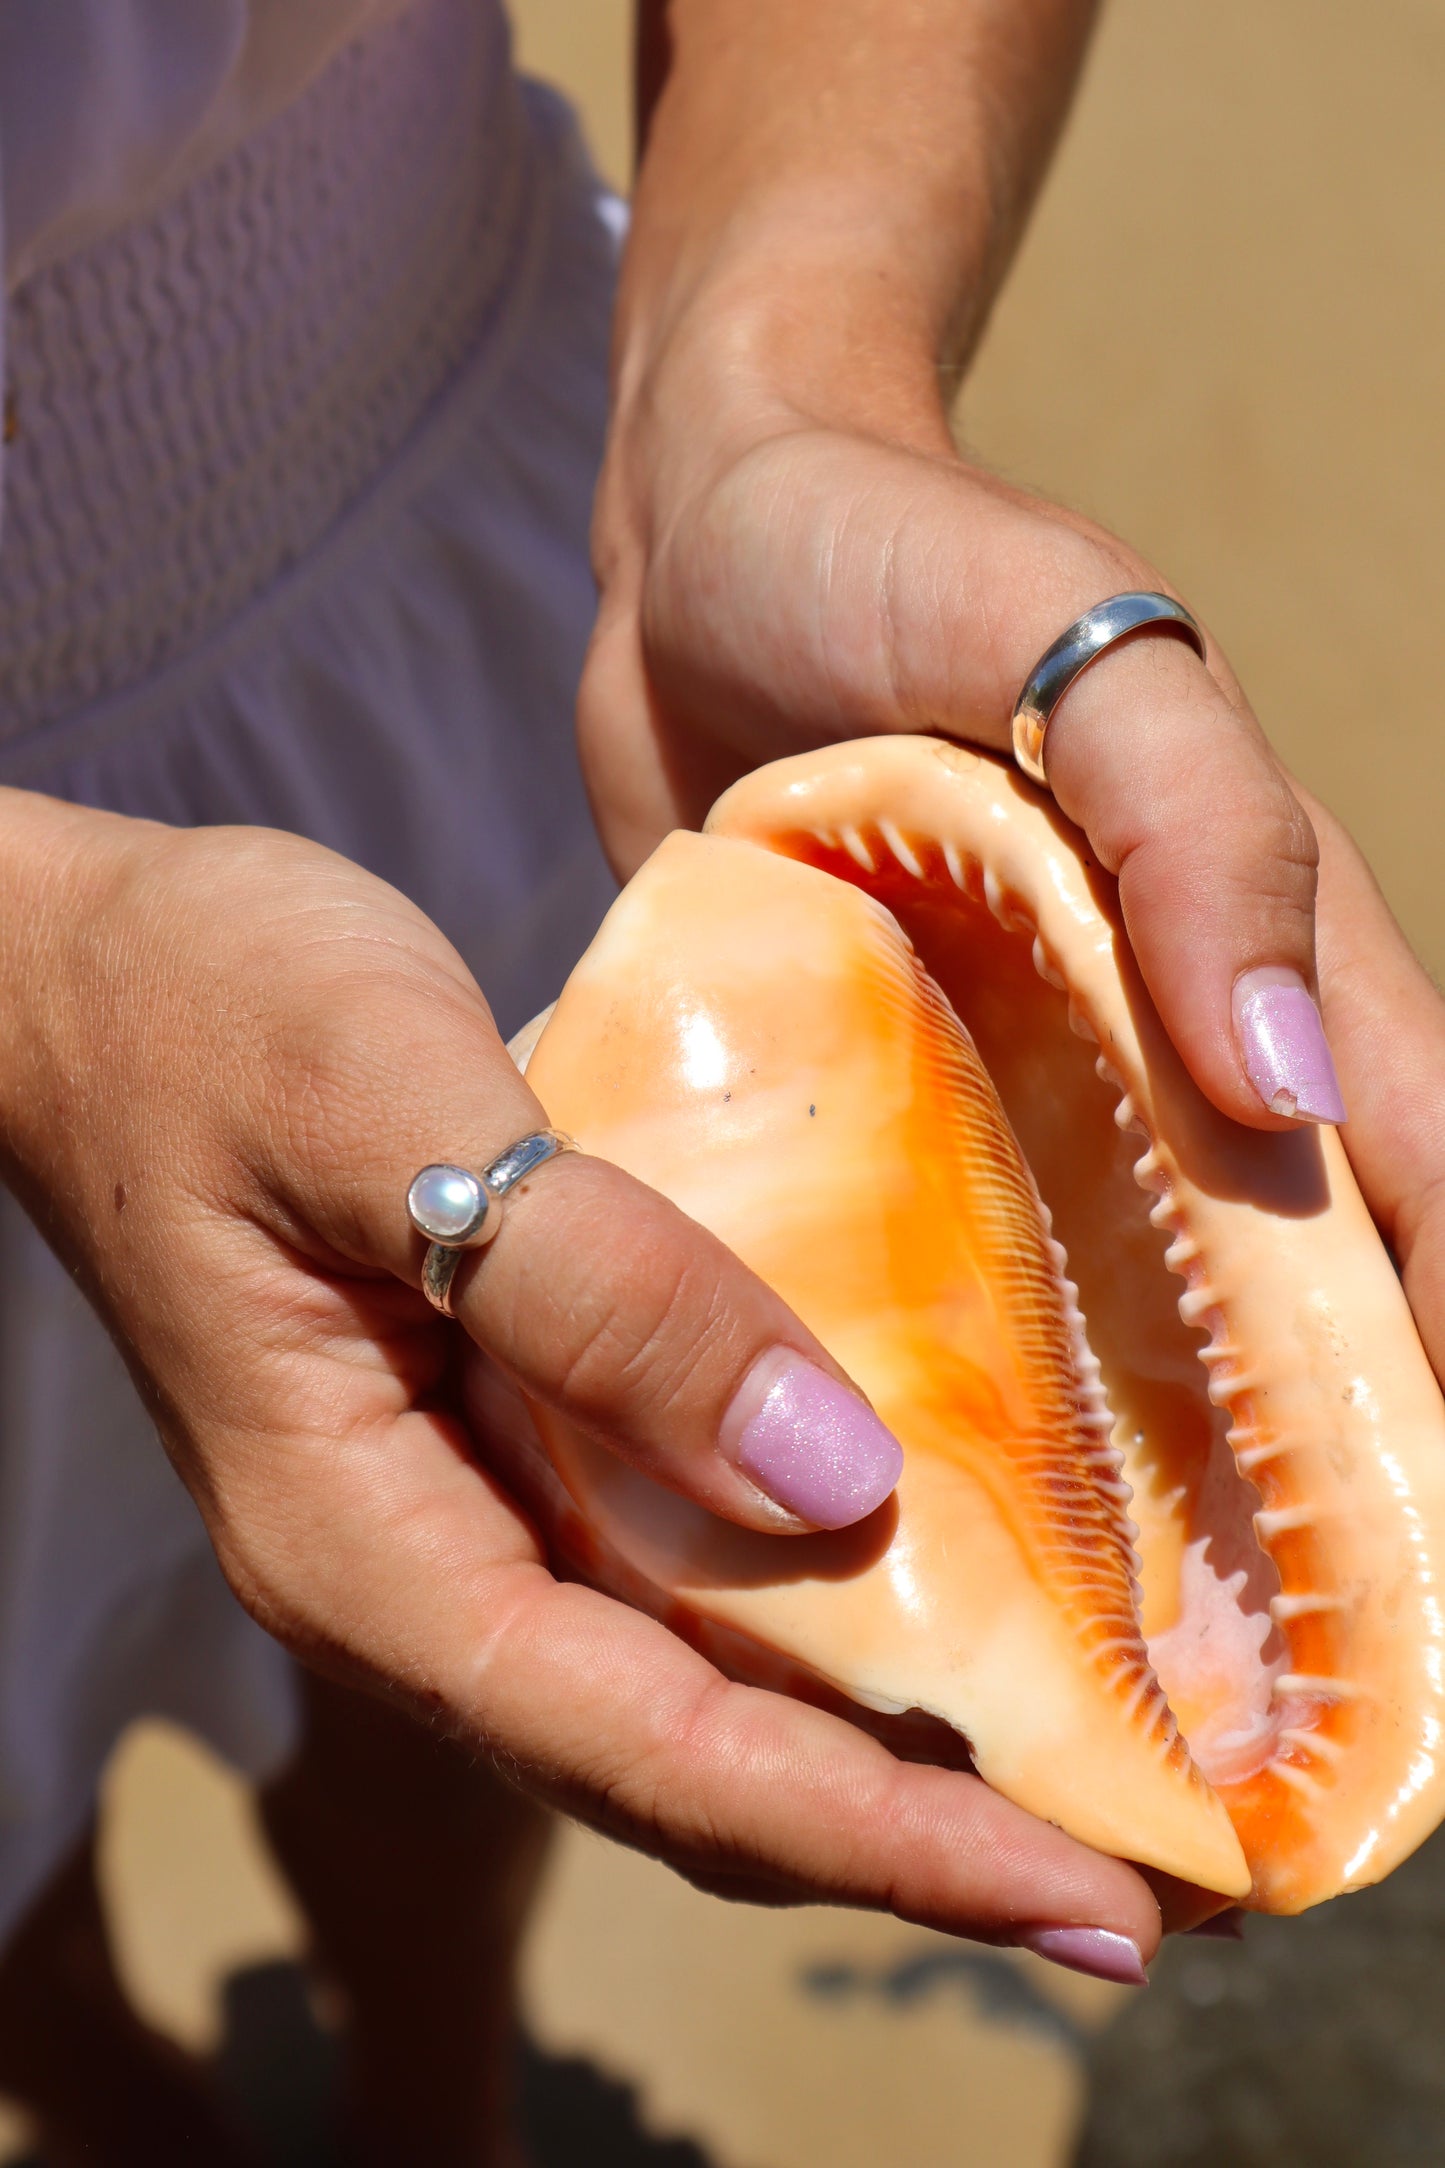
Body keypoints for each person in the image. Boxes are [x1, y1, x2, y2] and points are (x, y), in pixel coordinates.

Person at [0, 0, 1438, 2160]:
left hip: (500, 585)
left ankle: (430, 2093)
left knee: (461, 1597)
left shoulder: (724, 823)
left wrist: (775, 365)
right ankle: (122, 2104)